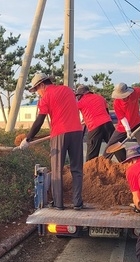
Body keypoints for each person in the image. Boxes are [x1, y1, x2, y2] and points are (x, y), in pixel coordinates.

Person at [19, 73, 84, 211]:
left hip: (59, 133)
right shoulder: (67, 90)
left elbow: (39, 120)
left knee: (56, 170)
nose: (38, 93)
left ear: (42, 85)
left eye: (37, 90)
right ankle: (78, 203)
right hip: (77, 132)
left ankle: (58, 203)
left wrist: (28, 138)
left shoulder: (46, 97)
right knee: (77, 169)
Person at [105, 82, 140, 162]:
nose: (122, 98)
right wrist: (128, 130)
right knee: (112, 144)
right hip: (123, 127)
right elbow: (122, 118)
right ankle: (119, 162)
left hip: (137, 123)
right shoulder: (117, 103)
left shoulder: (136, 92)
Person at [75, 84, 115, 161]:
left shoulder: (80, 102)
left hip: (94, 127)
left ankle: (89, 171)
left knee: (92, 153)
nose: (77, 97)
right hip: (108, 124)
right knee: (116, 146)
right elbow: (106, 112)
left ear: (83, 93)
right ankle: (127, 163)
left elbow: (73, 113)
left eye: (78, 95)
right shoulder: (100, 98)